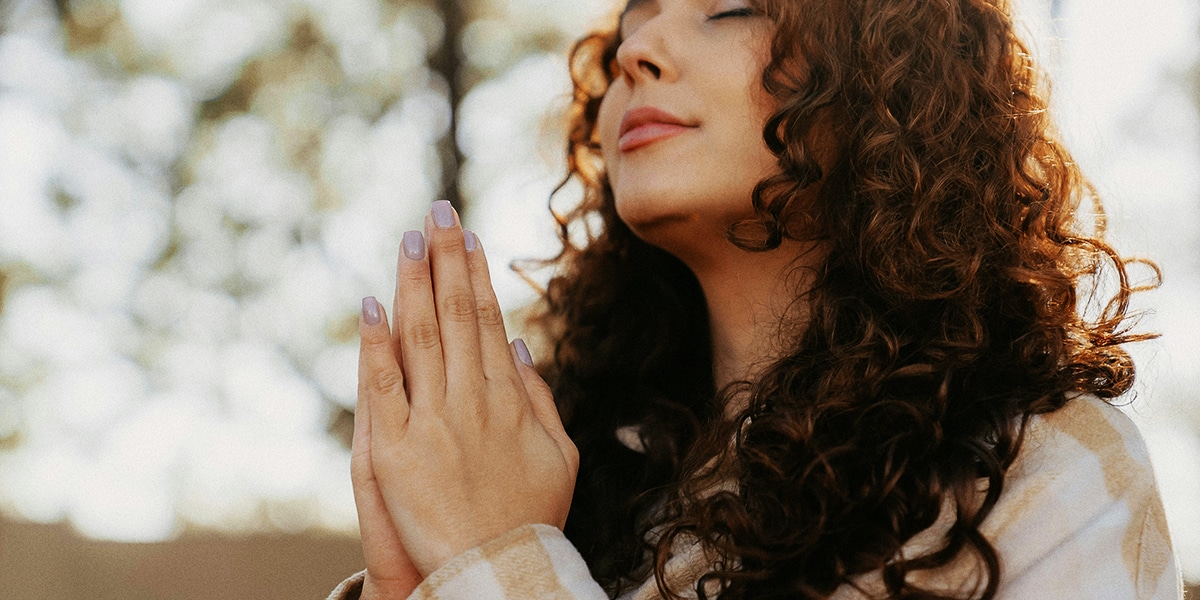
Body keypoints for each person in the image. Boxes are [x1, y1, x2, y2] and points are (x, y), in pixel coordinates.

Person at [328, 0, 1183, 598]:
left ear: (893, 75)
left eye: (732, 5)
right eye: (637, 13)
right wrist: (413, 588)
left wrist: (497, 562)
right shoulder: (577, 473)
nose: (635, 51)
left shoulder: (1049, 469)